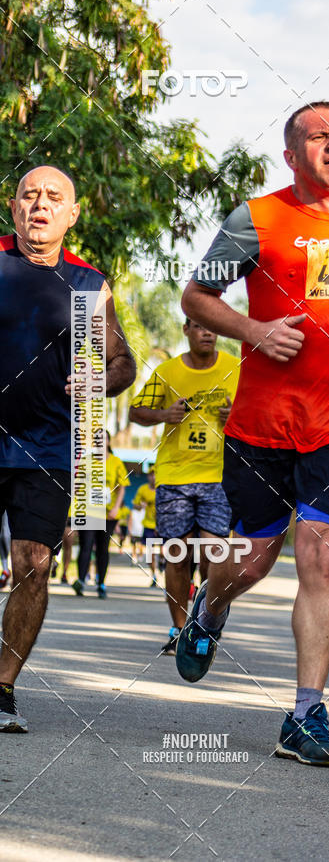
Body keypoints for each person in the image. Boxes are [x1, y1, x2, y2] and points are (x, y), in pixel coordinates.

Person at [179, 101, 329, 766]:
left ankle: (304, 714)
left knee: (321, 557)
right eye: (317, 137)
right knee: (255, 559)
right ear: (291, 155)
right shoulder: (255, 220)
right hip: (262, 424)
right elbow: (196, 298)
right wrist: (255, 331)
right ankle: (210, 605)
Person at [0, 166, 136, 732]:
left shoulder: (85, 285)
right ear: (13, 208)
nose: (41, 205)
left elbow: (122, 362)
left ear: (72, 215)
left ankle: (1, 688)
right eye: (30, 195)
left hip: (49, 447)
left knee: (34, 564)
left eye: (54, 198)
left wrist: (97, 380)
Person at [129, 319, 238, 653]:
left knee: (213, 556)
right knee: (176, 554)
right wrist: (164, 415)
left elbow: (264, 409)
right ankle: (180, 630)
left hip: (219, 475)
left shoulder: (237, 369)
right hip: (174, 475)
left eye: (212, 327)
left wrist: (236, 415)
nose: (208, 332)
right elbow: (135, 411)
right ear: (186, 330)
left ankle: (204, 623)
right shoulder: (167, 372)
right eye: (200, 326)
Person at [72, 430, 130, 598]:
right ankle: (81, 581)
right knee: (86, 545)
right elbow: (77, 485)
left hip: (108, 514)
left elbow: (122, 487)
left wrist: (116, 508)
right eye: (96, 438)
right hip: (89, 511)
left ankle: (101, 584)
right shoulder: (86, 461)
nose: (99, 441)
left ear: (109, 442)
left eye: (103, 438)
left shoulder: (116, 462)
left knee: (102, 549)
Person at [132, 469, 157, 587]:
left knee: (165, 552)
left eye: (155, 474)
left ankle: (162, 565)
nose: (153, 477)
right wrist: (140, 506)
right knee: (149, 554)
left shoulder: (163, 489)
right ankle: (154, 575)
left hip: (162, 526)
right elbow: (135, 505)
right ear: (148, 477)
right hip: (148, 525)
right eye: (151, 475)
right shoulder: (143, 489)